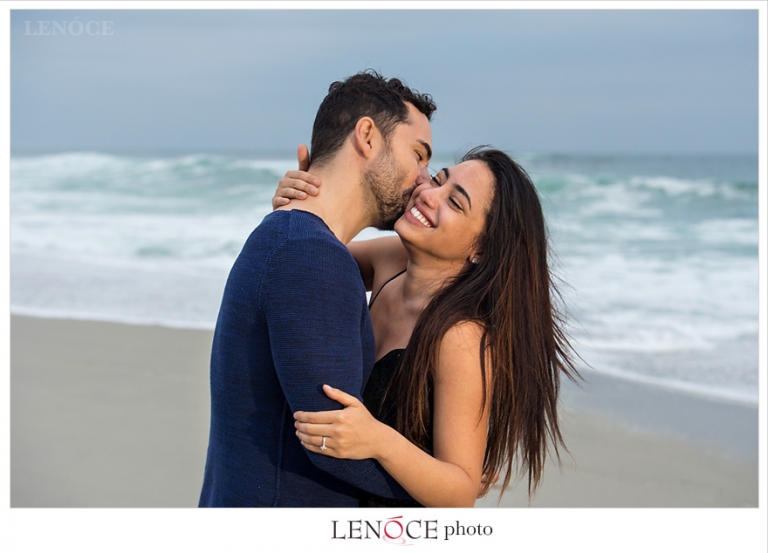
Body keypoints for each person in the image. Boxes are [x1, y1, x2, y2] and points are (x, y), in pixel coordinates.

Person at [275, 147, 579, 507]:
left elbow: (461, 491)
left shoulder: (460, 337)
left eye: (455, 203)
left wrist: (377, 439)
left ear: (481, 248)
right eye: (438, 180)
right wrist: (301, 203)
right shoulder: (391, 260)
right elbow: (303, 254)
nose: (429, 194)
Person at [198, 70, 436, 507]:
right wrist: (441, 486)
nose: (424, 178)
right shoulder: (309, 252)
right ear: (367, 135)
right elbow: (331, 442)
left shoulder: (297, 241)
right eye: (418, 154)